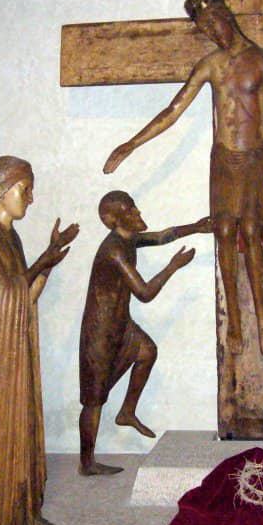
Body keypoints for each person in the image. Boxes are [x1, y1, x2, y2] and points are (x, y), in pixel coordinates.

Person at [103, 0, 263, 357]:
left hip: (253, 158)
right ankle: (234, 317)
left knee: (250, 231)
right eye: (204, 29)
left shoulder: (261, 61)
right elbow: (173, 110)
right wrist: (130, 145)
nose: (212, 33)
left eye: (213, 24)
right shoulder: (210, 65)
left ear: (226, 16)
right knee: (224, 231)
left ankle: (262, 314)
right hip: (223, 160)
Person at [0, 155, 78, 525]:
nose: (30, 198)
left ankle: (24, 515)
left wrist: (49, 259)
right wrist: (44, 259)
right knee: (3, 434)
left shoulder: (9, 237)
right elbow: (2, 302)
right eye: (24, 189)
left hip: (17, 350)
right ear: (1, 191)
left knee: (25, 430)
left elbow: (24, 298)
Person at [79, 190, 211, 476]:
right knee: (94, 399)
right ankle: (87, 462)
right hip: (100, 332)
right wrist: (173, 267)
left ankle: (127, 411)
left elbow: (160, 236)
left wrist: (196, 227)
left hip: (120, 324)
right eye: (130, 210)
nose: (138, 213)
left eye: (135, 207)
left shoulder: (129, 239)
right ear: (113, 219)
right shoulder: (113, 250)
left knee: (147, 351)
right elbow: (145, 293)